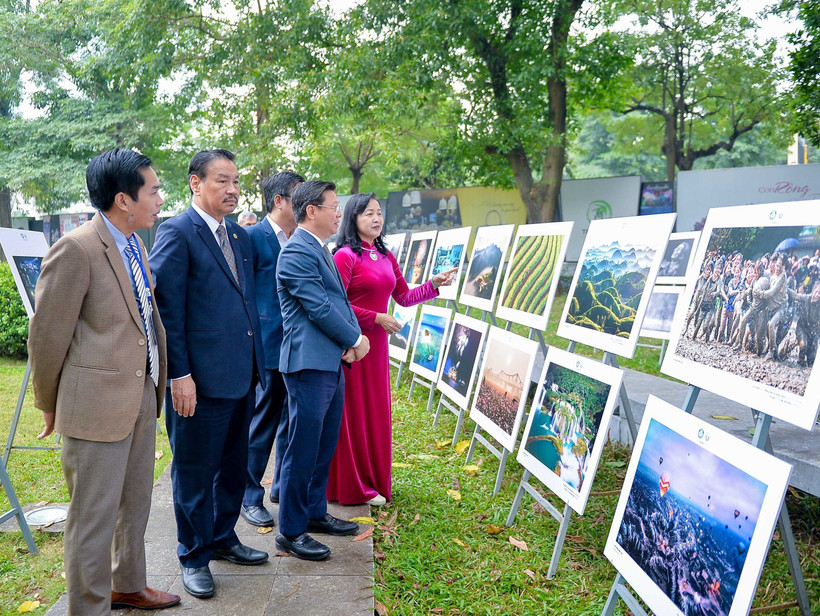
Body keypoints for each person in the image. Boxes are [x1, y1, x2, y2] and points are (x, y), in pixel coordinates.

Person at [28, 149, 180, 615]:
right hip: (93, 405)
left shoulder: (135, 243)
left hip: (139, 396)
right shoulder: (75, 248)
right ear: (122, 199)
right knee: (91, 520)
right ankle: (89, 607)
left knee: (133, 505)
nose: (160, 198)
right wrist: (50, 404)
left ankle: (128, 585)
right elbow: (48, 335)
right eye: (152, 190)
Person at [149, 149, 268, 599]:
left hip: (241, 376)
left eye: (236, 181)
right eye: (222, 180)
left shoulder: (238, 235)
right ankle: (193, 554)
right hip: (196, 383)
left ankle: (222, 538)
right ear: (195, 183)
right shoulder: (177, 232)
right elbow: (168, 312)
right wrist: (179, 374)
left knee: (233, 468)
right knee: (195, 473)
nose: (233, 189)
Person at [327, 193, 455, 506]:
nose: (376, 219)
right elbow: (334, 305)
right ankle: (353, 485)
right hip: (355, 346)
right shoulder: (345, 256)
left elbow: (404, 297)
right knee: (354, 413)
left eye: (379, 213)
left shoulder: (386, 255)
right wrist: (376, 317)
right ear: (353, 219)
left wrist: (434, 285)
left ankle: (374, 478)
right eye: (368, 213)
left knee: (376, 412)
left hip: (379, 347)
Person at [274, 180, 370, 561]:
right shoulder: (297, 251)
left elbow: (337, 302)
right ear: (311, 211)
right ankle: (291, 530)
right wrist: (355, 339)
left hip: (327, 361)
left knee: (323, 444)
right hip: (307, 364)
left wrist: (348, 341)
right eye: (334, 205)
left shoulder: (319, 248)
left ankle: (314, 513)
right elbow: (319, 307)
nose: (339, 213)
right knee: (302, 448)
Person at [241, 171, 305, 528]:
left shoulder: (304, 238)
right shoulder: (253, 238)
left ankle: (280, 485)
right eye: (298, 196)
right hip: (267, 348)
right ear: (278, 200)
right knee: (261, 425)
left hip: (300, 348)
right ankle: (249, 497)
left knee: (290, 422)